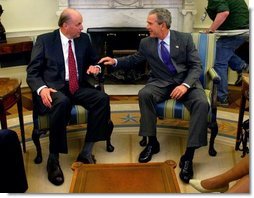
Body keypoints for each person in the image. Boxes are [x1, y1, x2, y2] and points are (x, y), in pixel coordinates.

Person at [99, 8, 209, 183]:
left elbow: (196, 66)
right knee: (145, 94)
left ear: (162, 25)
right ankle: (152, 142)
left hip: (186, 82)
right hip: (161, 82)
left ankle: (188, 156)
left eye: (150, 23)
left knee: (202, 103)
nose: (147, 27)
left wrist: (185, 85)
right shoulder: (146, 43)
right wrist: (115, 61)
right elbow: (135, 59)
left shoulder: (184, 39)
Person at [26, 8, 111, 186]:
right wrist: (42, 89)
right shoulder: (45, 41)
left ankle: (86, 151)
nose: (82, 27)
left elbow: (94, 60)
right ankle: (53, 159)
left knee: (102, 99)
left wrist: (95, 67)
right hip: (54, 88)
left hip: (77, 86)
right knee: (62, 102)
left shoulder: (84, 39)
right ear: (65, 25)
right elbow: (32, 72)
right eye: (78, 24)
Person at [205, 0, 249, 107]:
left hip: (236, 32)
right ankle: (242, 66)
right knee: (223, 53)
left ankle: (221, 98)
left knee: (218, 61)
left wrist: (210, 30)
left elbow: (224, 12)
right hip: (244, 30)